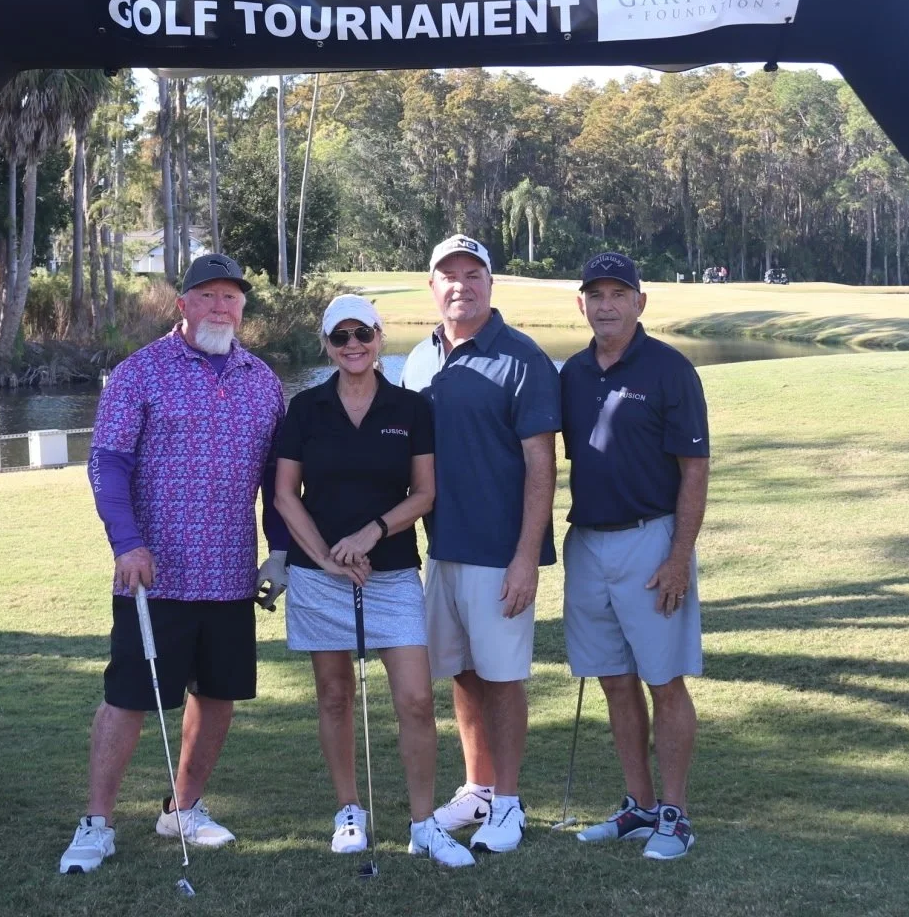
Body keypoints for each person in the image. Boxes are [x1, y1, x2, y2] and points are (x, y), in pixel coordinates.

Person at [59, 252, 290, 876]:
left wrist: (280, 549)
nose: (221, 306)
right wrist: (126, 543)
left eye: (232, 296)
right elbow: (107, 463)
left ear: (243, 307)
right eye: (208, 295)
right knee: (129, 699)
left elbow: (277, 478)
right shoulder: (140, 373)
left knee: (217, 697)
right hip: (151, 574)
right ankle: (98, 821)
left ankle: (182, 809)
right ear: (182, 304)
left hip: (230, 574)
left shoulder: (264, 382)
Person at [270, 295, 476, 869]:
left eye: (363, 334)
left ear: (381, 337)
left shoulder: (410, 409)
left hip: (390, 573)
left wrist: (369, 534)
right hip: (319, 577)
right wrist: (328, 558)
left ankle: (422, 824)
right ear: (327, 346)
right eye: (341, 337)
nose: (353, 345)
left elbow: (425, 493)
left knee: (413, 698)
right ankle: (349, 813)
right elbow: (286, 493)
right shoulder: (305, 409)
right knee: (334, 696)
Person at [399, 235, 560, 854]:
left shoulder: (521, 358)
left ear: (491, 284)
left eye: (473, 273)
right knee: (463, 674)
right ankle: (478, 788)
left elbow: (540, 466)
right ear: (432, 286)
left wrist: (527, 556)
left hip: (500, 553)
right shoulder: (418, 360)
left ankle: (510, 803)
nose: (460, 284)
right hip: (442, 549)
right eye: (449, 275)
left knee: (503, 677)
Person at [559, 252, 710, 861]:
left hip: (653, 540)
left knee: (663, 681)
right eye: (596, 294)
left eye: (619, 293)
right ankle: (639, 805)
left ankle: (674, 815)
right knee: (615, 681)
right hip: (587, 543)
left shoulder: (671, 370)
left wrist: (679, 556)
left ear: (640, 302)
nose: (607, 305)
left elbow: (694, 471)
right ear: (583, 305)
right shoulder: (570, 373)